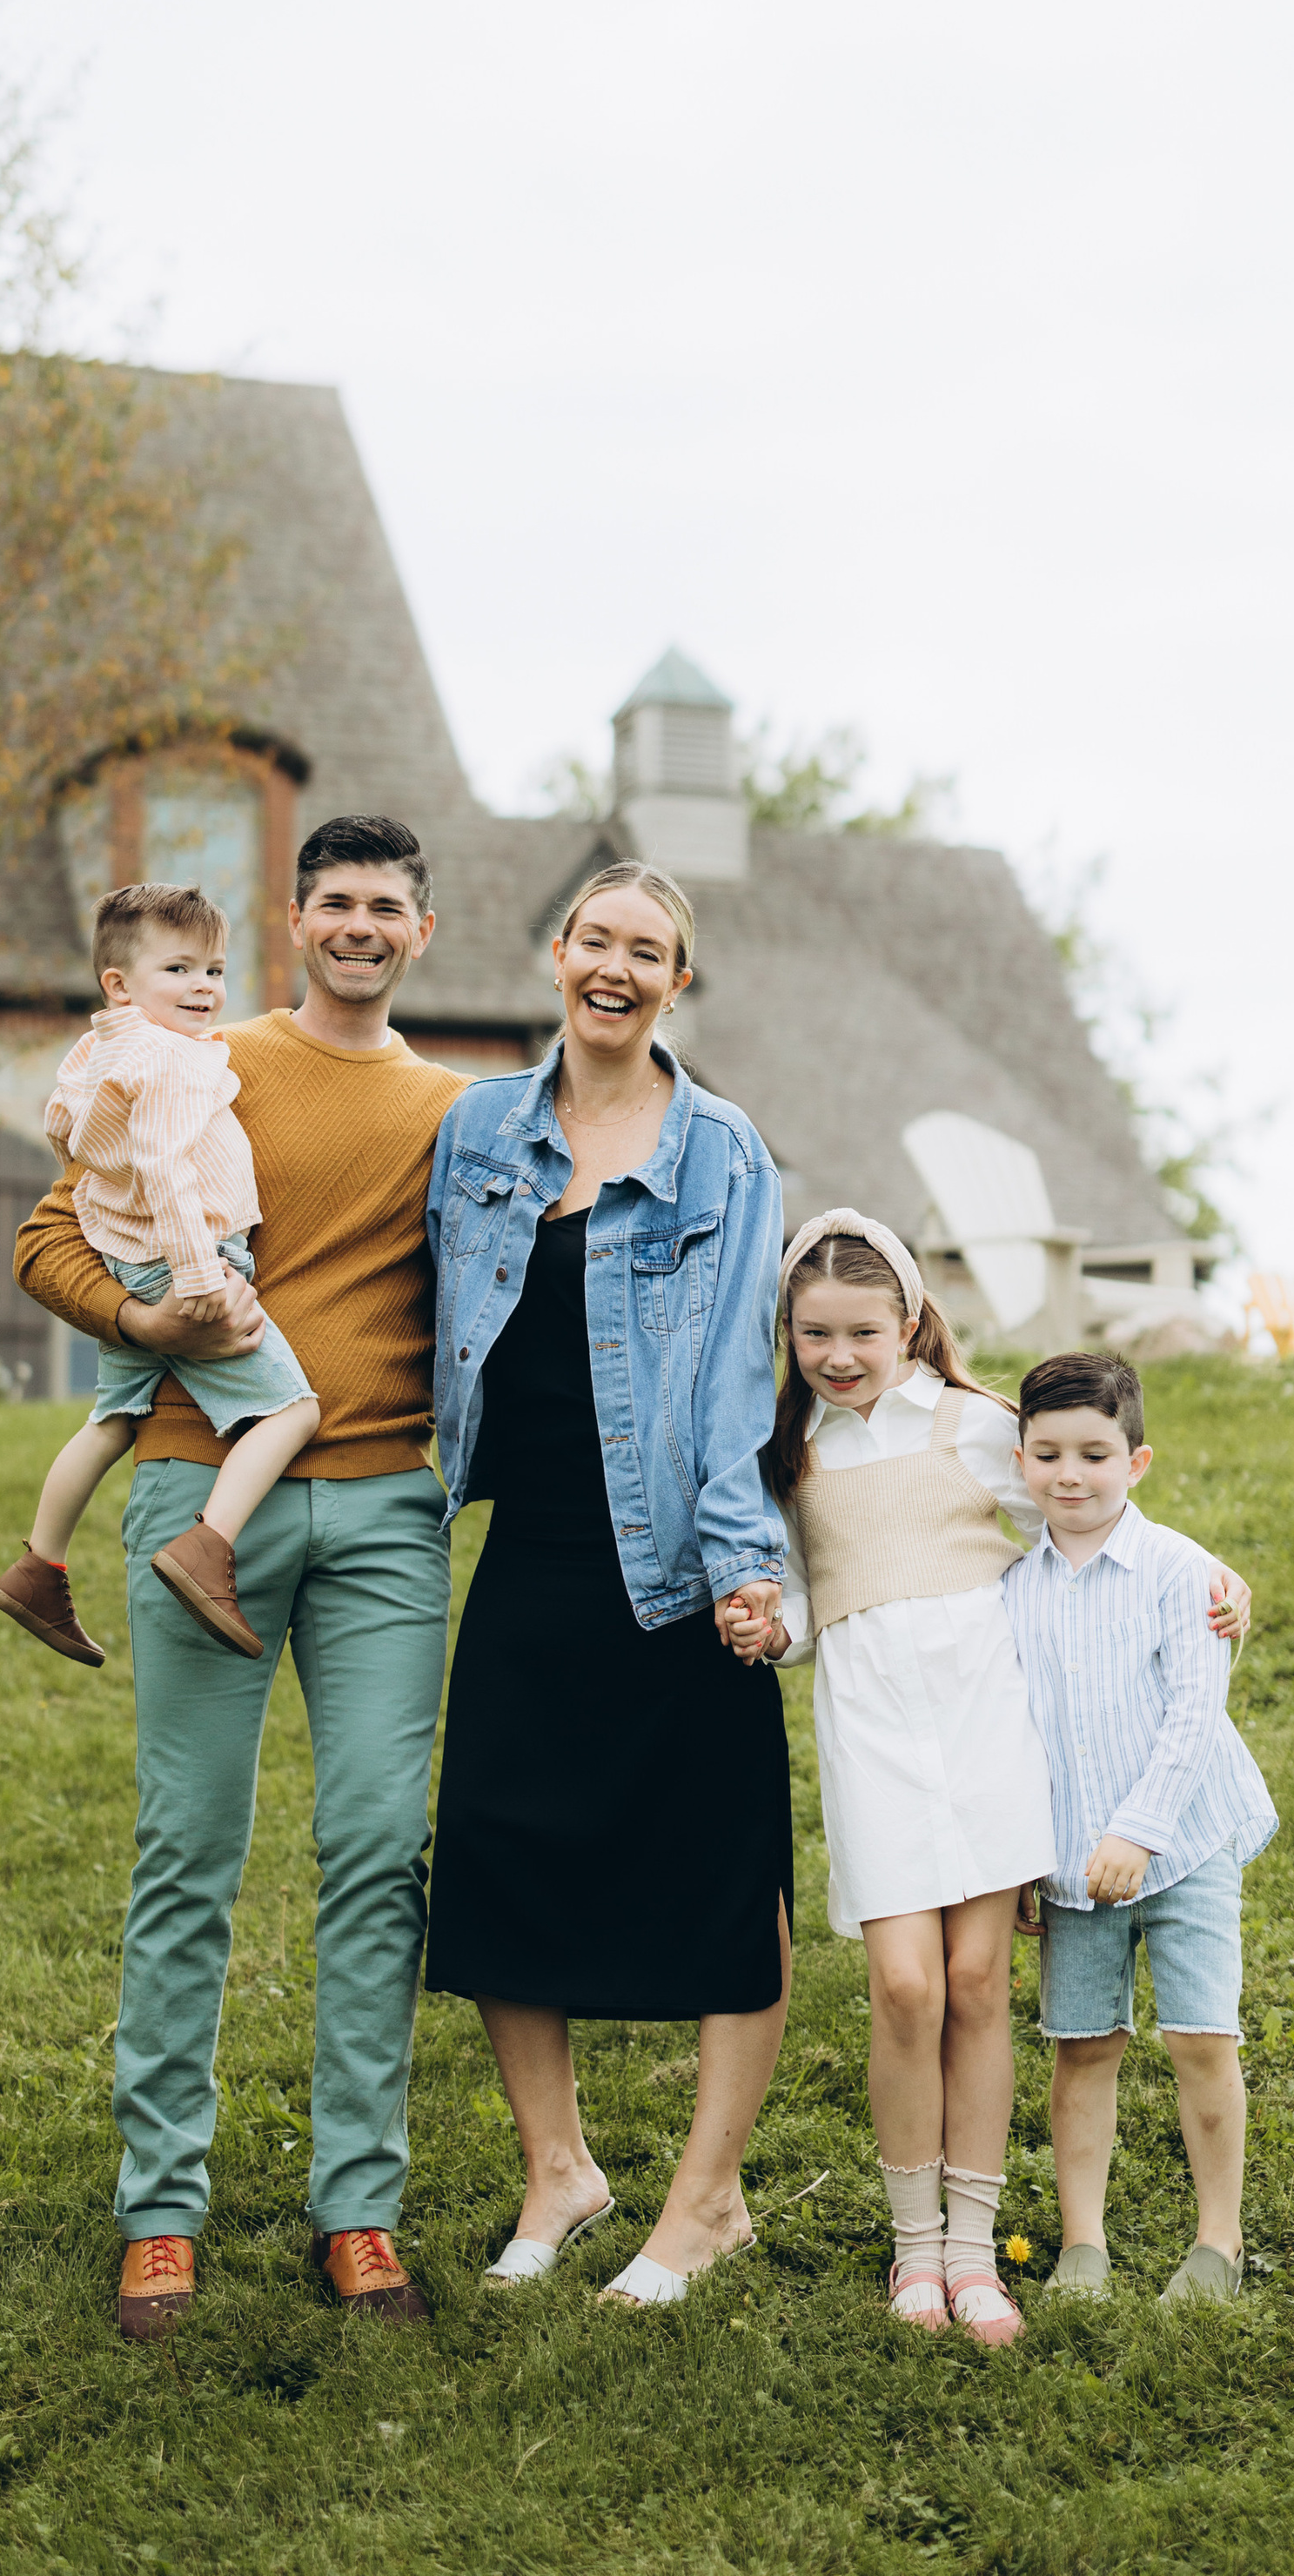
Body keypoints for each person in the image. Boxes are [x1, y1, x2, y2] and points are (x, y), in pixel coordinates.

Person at [10, 816, 464, 2341]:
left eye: (385, 905)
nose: (359, 924)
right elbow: (51, 1235)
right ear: (297, 917)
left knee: (380, 1849)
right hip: (198, 1486)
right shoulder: (206, 1054)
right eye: (334, 901)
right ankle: (160, 2214)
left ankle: (359, 2207)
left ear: (421, 932)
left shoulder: (456, 1112)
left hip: (386, 1506)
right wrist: (140, 1328)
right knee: (187, 1848)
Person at [733, 1214, 1250, 2347]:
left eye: (863, 1332)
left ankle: (973, 2255)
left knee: (975, 1981)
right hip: (873, 1733)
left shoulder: (974, 1426)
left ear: (909, 1322)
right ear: (787, 1334)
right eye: (813, 1334)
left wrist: (1209, 1576)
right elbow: (811, 1597)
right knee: (904, 1989)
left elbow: (1083, 1516)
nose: (838, 1356)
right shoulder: (788, 1448)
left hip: (985, 1728)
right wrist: (775, 1630)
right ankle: (914, 2246)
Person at [425, 859, 793, 2310]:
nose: (616, 968)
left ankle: (709, 2202)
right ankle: (559, 2169)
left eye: (649, 950)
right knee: (497, 1845)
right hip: (532, 1545)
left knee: (726, 1871)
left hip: (678, 1556)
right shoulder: (477, 1130)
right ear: (557, 955)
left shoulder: (723, 1152)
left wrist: (742, 1565)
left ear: (676, 984)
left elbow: (736, 1377)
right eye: (597, 940)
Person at [0, 881, 321, 1667]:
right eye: (178, 969)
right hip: (186, 1261)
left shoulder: (106, 1045)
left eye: (214, 970)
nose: (203, 988)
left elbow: (63, 1123)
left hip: (129, 1256)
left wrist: (113, 1205)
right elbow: (165, 1168)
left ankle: (39, 1566)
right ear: (119, 983)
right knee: (293, 1414)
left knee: (114, 1418)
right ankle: (209, 1548)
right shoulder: (172, 1059)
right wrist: (199, 1278)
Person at [1003, 1350, 1277, 2307]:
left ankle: (1218, 2240)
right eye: (1047, 1455)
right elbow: (1013, 1733)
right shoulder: (1012, 1586)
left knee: (1201, 2037)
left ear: (1137, 1462)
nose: (1069, 1475)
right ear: (1020, 1460)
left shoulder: (1181, 1571)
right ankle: (1083, 2241)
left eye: (1094, 1455)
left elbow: (1195, 1714)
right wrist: (1027, 1860)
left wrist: (1141, 1830)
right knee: (1082, 2047)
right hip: (1075, 1862)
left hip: (1185, 1843)